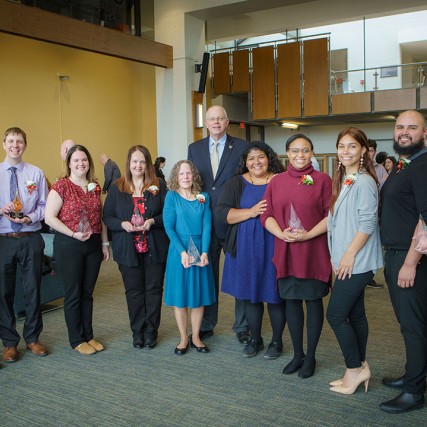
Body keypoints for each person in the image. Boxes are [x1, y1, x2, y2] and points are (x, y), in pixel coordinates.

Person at [261, 134, 332, 377]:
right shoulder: (277, 181)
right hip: (286, 251)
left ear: (312, 152)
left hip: (313, 252)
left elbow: (330, 217)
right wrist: (281, 234)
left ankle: (310, 356)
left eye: (305, 150)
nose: (299, 155)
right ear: (287, 153)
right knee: (291, 303)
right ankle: (297, 355)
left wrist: (308, 234)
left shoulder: (323, 180)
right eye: (294, 150)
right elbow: (266, 215)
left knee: (312, 303)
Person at [326, 127, 383, 395]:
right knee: (355, 314)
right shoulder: (344, 179)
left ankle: (354, 369)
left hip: (358, 261)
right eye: (341, 146)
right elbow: (335, 222)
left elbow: (368, 223)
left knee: (335, 314)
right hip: (345, 259)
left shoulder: (363, 181)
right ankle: (360, 365)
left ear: (363, 150)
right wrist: (335, 255)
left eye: (352, 146)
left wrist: (347, 254)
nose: (346, 151)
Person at [218, 142, 286, 359]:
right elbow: (223, 214)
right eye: (251, 159)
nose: (256, 162)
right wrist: (252, 211)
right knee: (250, 296)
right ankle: (255, 339)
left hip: (273, 245)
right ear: (245, 162)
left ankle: (277, 342)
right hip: (244, 247)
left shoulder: (281, 180)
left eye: (261, 157)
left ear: (269, 158)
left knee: (274, 295)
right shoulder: (236, 182)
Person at [188, 105, 249, 344]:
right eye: (211, 119)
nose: (215, 122)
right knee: (207, 275)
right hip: (205, 222)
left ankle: (243, 325)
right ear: (206, 122)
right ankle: (206, 323)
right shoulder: (195, 149)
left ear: (227, 122)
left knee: (238, 275)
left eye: (220, 118)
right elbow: (193, 184)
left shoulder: (242, 147)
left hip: (234, 220)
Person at [379, 110, 427, 414]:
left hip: (411, 259)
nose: (404, 132)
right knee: (411, 323)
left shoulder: (423, 165)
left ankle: (414, 392)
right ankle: (415, 374)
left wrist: (410, 262)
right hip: (395, 254)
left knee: (413, 327)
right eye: (400, 127)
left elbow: (426, 219)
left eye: (412, 127)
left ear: (425, 132)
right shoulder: (404, 163)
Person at [45, 145, 109, 355]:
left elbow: (101, 217)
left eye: (84, 160)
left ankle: (88, 335)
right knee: (74, 293)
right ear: (69, 163)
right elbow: (49, 218)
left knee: (87, 293)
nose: (81, 163)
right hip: (69, 244)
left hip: (92, 245)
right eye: (76, 160)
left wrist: (104, 243)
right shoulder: (61, 186)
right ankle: (76, 339)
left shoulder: (94, 186)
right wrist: (73, 234)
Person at [103, 146, 169, 349]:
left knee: (153, 290)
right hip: (127, 248)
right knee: (134, 292)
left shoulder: (159, 186)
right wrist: (122, 224)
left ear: (148, 164)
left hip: (154, 247)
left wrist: (152, 222)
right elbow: (107, 216)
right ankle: (137, 332)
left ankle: (151, 331)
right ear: (128, 164)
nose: (138, 165)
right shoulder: (117, 187)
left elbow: (168, 214)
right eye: (134, 161)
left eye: (142, 161)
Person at [0, 127, 49, 363]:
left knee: (33, 290)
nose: (15, 145)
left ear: (25, 145)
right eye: (10, 141)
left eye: (19, 141)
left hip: (30, 238)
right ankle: (9, 343)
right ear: (3, 144)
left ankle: (32, 338)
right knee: (3, 293)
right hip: (3, 240)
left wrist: (31, 217)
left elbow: (44, 205)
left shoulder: (36, 173)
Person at [163, 160, 216, 355]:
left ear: (193, 176)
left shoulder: (203, 197)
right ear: (176, 177)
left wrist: (204, 252)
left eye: (188, 173)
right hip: (179, 251)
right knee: (180, 297)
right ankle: (183, 338)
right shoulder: (171, 197)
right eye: (181, 174)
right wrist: (182, 252)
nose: (185, 177)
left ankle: (195, 336)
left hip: (200, 249)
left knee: (198, 296)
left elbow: (207, 226)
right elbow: (169, 227)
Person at [366, 139, 388, 289]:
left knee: (375, 244)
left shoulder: (380, 169)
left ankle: (369, 276)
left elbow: (385, 190)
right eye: (366, 150)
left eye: (371, 150)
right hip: (360, 214)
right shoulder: (354, 167)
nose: (369, 153)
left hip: (377, 212)